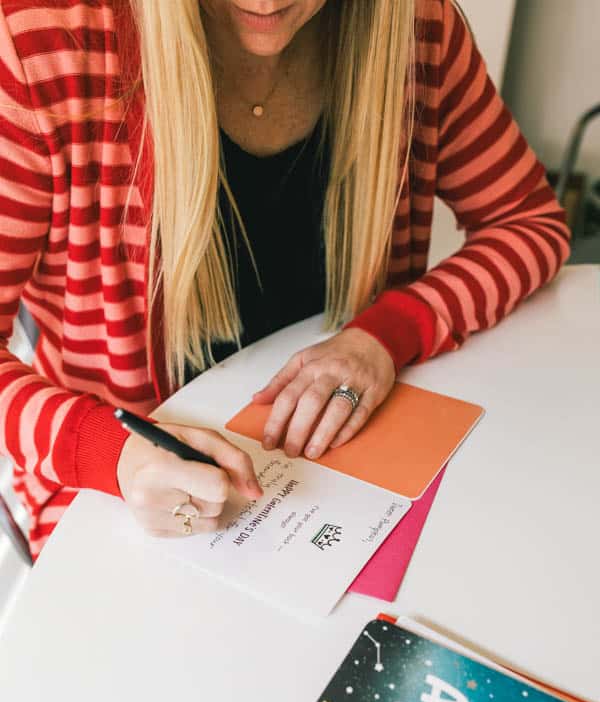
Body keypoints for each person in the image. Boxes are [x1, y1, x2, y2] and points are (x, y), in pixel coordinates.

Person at [0, 0, 569, 557]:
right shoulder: (39, 44)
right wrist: (109, 453)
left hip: (347, 463)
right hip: (112, 482)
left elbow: (528, 222)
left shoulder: (417, 27)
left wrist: (388, 334)